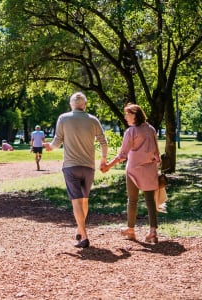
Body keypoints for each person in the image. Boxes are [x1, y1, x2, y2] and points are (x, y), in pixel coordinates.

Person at [45, 92, 109, 248]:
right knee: (84, 200)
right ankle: (80, 229)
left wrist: (50, 147)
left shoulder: (64, 118)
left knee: (76, 202)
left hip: (70, 166)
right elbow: (104, 142)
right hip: (88, 167)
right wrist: (103, 160)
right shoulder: (93, 120)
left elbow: (57, 141)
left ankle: (84, 236)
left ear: (71, 104)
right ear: (84, 105)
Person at [101, 104, 161, 244]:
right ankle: (153, 232)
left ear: (134, 114)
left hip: (134, 170)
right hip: (150, 169)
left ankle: (131, 230)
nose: (125, 116)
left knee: (132, 200)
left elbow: (122, 154)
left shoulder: (131, 132)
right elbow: (157, 154)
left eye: (127, 114)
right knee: (150, 201)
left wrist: (109, 165)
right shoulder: (151, 129)